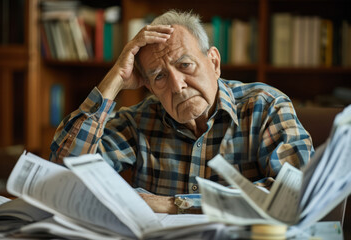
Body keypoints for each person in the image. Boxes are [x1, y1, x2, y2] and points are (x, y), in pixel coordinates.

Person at [50, 10, 313, 213]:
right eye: (160, 76)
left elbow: (296, 193)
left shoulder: (265, 106)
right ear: (150, 87)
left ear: (214, 62)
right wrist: (115, 79)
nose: (177, 85)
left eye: (185, 64)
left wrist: (175, 204)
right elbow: (64, 174)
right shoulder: (141, 119)